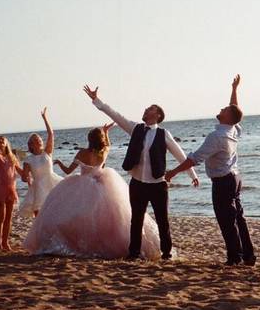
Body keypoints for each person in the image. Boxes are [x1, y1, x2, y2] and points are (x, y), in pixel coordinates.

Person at [83, 85, 199, 260]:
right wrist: (96, 100)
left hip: (158, 184)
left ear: (158, 115)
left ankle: (166, 253)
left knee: (162, 220)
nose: (146, 110)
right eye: (146, 108)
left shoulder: (163, 133)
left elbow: (179, 154)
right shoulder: (135, 128)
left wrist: (193, 175)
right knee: (136, 220)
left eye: (150, 109)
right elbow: (115, 115)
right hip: (137, 183)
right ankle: (134, 253)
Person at [23, 123, 162, 258]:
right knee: (108, 217)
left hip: (82, 185)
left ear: (89, 140)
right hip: (102, 183)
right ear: (100, 140)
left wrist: (59, 163)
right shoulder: (104, 152)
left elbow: (68, 171)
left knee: (80, 215)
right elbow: (108, 145)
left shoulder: (82, 153)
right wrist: (106, 133)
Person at [166, 75, 256, 266]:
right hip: (235, 178)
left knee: (227, 220)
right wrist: (234, 89)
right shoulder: (233, 129)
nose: (221, 109)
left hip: (224, 181)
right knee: (238, 217)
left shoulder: (217, 136)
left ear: (227, 117)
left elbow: (194, 159)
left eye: (223, 110)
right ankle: (248, 255)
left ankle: (235, 257)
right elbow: (234, 109)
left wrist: (173, 172)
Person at [19, 107, 64, 219]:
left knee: (55, 213)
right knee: (39, 216)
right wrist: (25, 177)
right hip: (39, 187)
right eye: (35, 140)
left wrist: (45, 118)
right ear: (31, 145)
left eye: (39, 138)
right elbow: (24, 178)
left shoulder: (47, 152)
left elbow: (51, 134)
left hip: (52, 183)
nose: (38, 140)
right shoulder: (28, 159)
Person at [0, 111, 23, 251]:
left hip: (11, 189)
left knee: (8, 218)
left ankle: (5, 242)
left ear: (7, 143)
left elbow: (20, 171)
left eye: (3, 140)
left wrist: (29, 177)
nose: (0, 142)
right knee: (1, 217)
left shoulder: (11, 157)